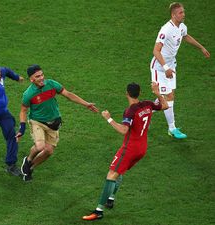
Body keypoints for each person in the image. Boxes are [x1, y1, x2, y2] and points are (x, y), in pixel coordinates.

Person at [82, 82, 168, 221]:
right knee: (119, 172)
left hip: (130, 148)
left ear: (126, 93)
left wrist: (108, 118)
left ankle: (99, 211)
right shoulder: (147, 104)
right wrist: (157, 92)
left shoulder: (130, 111)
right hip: (142, 148)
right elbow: (165, 106)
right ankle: (110, 199)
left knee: (111, 175)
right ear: (139, 93)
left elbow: (123, 130)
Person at [15, 64, 99, 181]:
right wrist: (22, 128)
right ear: (32, 79)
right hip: (37, 122)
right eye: (37, 76)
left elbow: (68, 95)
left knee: (48, 151)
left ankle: (31, 167)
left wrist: (86, 104)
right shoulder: (28, 94)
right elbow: (23, 110)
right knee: (40, 146)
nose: (41, 78)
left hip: (53, 123)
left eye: (42, 75)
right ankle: (28, 160)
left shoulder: (52, 84)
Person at [150, 2, 210, 139]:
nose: (184, 14)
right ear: (173, 15)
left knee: (168, 96)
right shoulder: (166, 30)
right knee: (169, 96)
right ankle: (172, 128)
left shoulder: (181, 26)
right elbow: (156, 51)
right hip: (159, 68)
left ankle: (143, 110)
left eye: (183, 12)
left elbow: (185, 35)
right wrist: (165, 68)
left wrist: (201, 47)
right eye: (180, 13)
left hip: (171, 66)